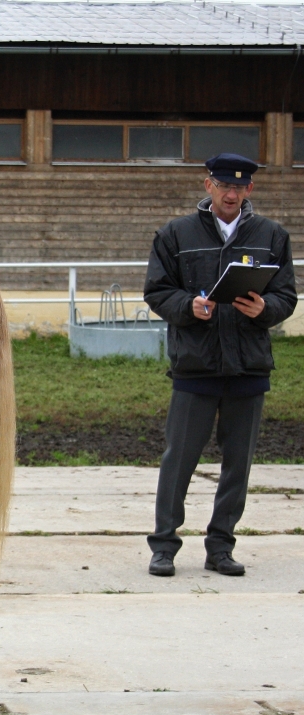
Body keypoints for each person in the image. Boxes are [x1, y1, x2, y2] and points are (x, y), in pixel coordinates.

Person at [144, 153, 297, 578]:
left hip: (249, 368)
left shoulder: (272, 236)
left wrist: (265, 308)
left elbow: (287, 295)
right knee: (178, 460)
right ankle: (164, 546)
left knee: (238, 464)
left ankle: (221, 546)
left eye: (240, 186)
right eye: (223, 185)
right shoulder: (176, 234)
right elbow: (157, 291)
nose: (231, 193)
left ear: (250, 190)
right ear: (208, 185)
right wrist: (188, 306)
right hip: (195, 368)